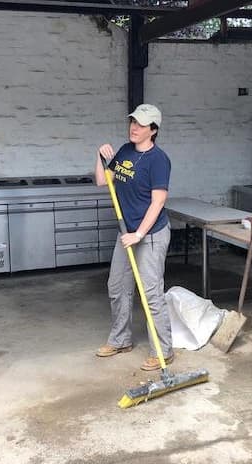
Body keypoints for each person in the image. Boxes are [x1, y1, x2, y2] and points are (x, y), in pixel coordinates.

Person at [94, 104, 173, 371]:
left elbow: (158, 202)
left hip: (150, 234)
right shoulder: (125, 151)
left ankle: (163, 350)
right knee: (117, 287)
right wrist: (100, 157)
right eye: (133, 122)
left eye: (140, 124)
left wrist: (139, 234)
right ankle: (120, 340)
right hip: (126, 233)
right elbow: (102, 181)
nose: (134, 127)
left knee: (151, 294)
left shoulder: (158, 160)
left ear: (153, 130)